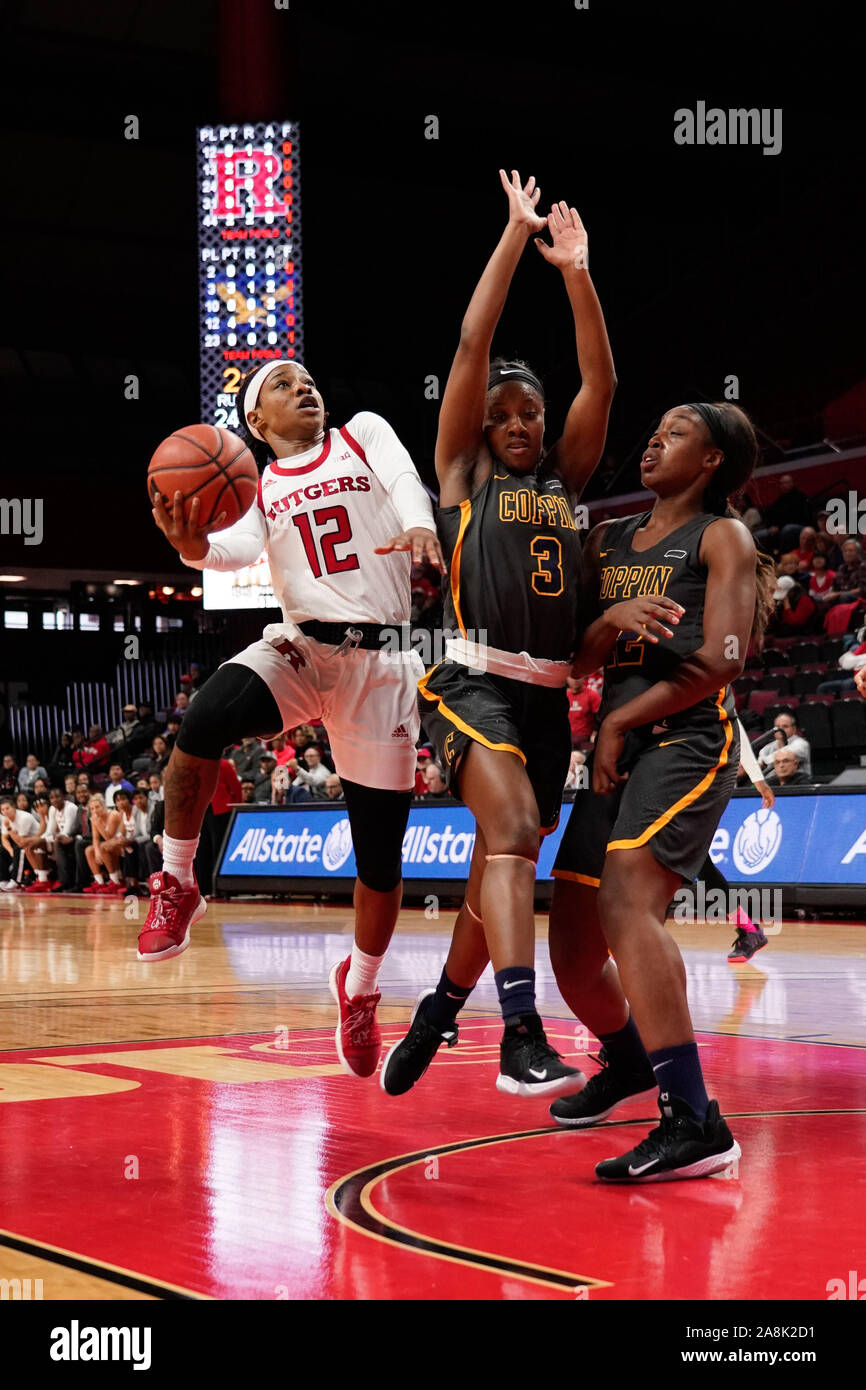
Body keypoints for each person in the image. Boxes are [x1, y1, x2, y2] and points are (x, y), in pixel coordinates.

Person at [139, 353, 443, 1090]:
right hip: (303, 649)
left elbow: (405, 479)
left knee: (380, 861)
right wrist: (188, 545)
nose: (303, 386)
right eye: (281, 384)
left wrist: (420, 528)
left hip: (382, 668)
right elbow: (228, 551)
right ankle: (179, 881)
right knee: (204, 718)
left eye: (307, 378)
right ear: (254, 423)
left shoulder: (362, 434)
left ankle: (361, 988)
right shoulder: (258, 488)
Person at [382, 169, 616, 1100]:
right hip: (469, 681)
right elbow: (473, 339)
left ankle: (441, 1010)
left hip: (547, 694)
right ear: (480, 423)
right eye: (504, 413)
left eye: (532, 412)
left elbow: (601, 375)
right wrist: (518, 237)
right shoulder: (460, 477)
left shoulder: (567, 478)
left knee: (498, 864)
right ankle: (521, 1031)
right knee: (515, 832)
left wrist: (578, 273)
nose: (519, 422)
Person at [540, 400, 777, 1185]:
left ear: (711, 461)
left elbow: (723, 660)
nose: (654, 438)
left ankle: (695, 1122)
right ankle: (634, 1059)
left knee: (625, 907)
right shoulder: (606, 540)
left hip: (686, 736)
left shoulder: (721, 536)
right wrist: (608, 619)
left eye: (675, 432)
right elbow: (575, 660)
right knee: (573, 950)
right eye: (656, 428)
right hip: (619, 740)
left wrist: (616, 725)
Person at [757, 711, 812, 776]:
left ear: (794, 729)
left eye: (785, 726)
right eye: (777, 726)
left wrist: (764, 761)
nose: (780, 729)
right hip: (773, 784)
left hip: (798, 783)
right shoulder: (768, 747)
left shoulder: (802, 744)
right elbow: (759, 765)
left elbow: (782, 755)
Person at [566, 674, 601, 749]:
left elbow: (599, 717)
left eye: (578, 677)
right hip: (568, 737)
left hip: (585, 739)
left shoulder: (592, 695)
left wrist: (595, 734)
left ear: (584, 678)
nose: (575, 680)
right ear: (567, 679)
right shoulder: (566, 695)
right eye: (572, 677)